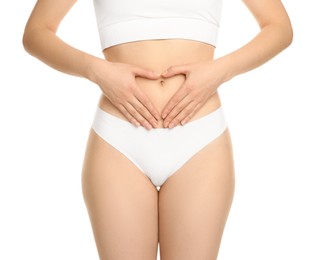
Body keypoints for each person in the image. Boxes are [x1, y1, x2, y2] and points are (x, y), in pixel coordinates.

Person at [22, 0, 293, 259]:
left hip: (200, 139)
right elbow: (36, 32)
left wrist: (220, 71)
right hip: (119, 139)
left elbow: (279, 27)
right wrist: (98, 72)